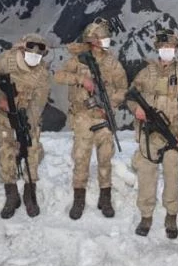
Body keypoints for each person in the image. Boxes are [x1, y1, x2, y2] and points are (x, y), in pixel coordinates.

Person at [53, 18, 128, 220]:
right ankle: (79, 199)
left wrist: (111, 104)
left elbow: (123, 88)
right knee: (81, 158)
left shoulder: (112, 62)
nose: (106, 41)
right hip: (82, 117)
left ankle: (105, 198)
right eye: (103, 38)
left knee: (105, 158)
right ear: (93, 40)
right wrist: (80, 79)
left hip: (103, 115)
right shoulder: (78, 59)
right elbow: (58, 76)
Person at [126, 29, 178, 238]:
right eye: (163, 47)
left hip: (174, 134)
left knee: (172, 176)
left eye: (170, 47)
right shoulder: (146, 73)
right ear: (157, 48)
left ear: (176, 49)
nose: (167, 51)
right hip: (149, 135)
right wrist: (135, 109)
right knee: (147, 176)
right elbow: (130, 95)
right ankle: (146, 216)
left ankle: (171, 216)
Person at [0, 33, 52, 219]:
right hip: (2, 115)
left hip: (26, 116)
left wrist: (26, 126)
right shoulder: (5, 60)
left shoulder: (42, 73)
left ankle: (30, 193)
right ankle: (11, 194)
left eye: (39, 53)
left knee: (32, 150)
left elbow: (39, 103)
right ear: (22, 48)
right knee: (5, 152)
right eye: (31, 50)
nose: (35, 55)